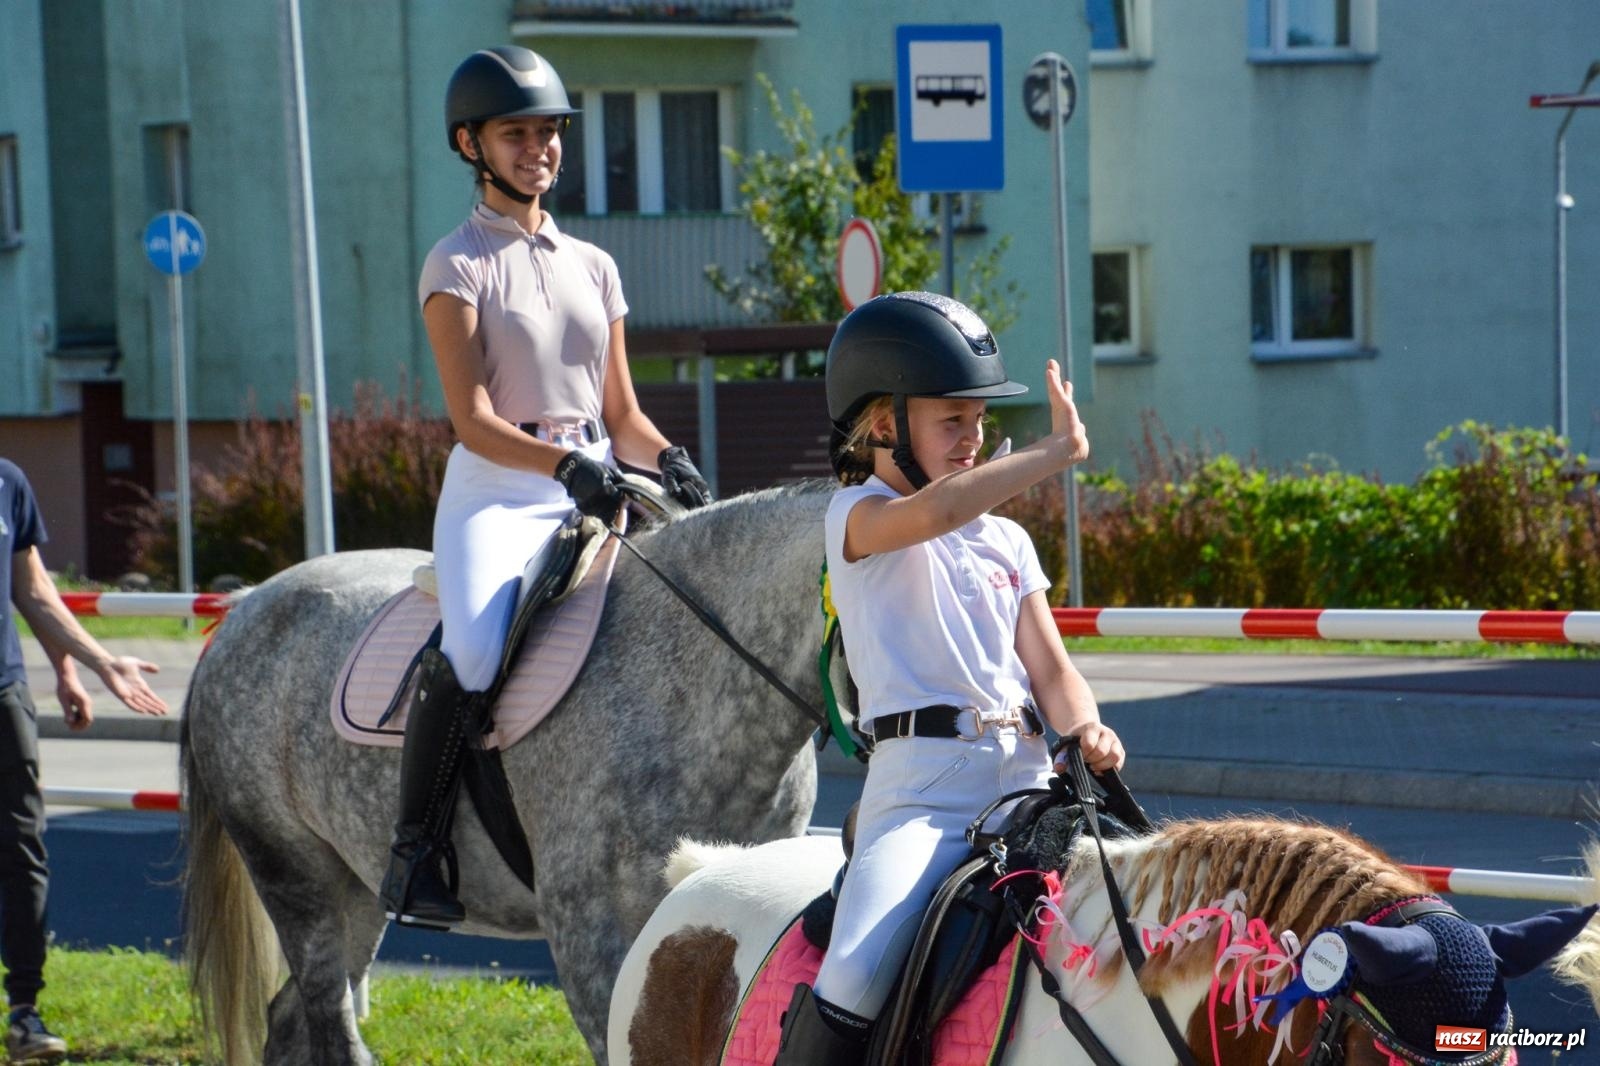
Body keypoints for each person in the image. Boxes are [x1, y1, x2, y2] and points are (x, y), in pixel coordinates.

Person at [378, 45, 711, 930]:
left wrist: (669, 460)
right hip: (500, 487)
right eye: (516, 134)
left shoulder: (594, 265)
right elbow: (473, 417)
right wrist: (565, 467)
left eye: (549, 133)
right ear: (470, 144)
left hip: (600, 475)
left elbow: (624, 412)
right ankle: (415, 852)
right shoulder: (456, 266)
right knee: (478, 650)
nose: (539, 149)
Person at [774, 292, 1126, 1064]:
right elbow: (935, 513)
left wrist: (1084, 727)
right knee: (856, 974)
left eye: (979, 421)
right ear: (884, 425)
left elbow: (1052, 669)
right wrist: (1052, 452)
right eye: (952, 421)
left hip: (1032, 780)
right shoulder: (855, 518)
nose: (973, 440)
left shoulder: (1006, 540)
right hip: (923, 798)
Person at [0, 458, 170, 1062]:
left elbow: (34, 589)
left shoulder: (8, 481)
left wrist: (85, 665)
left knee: (24, 852)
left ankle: (25, 1009)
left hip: (4, 693)